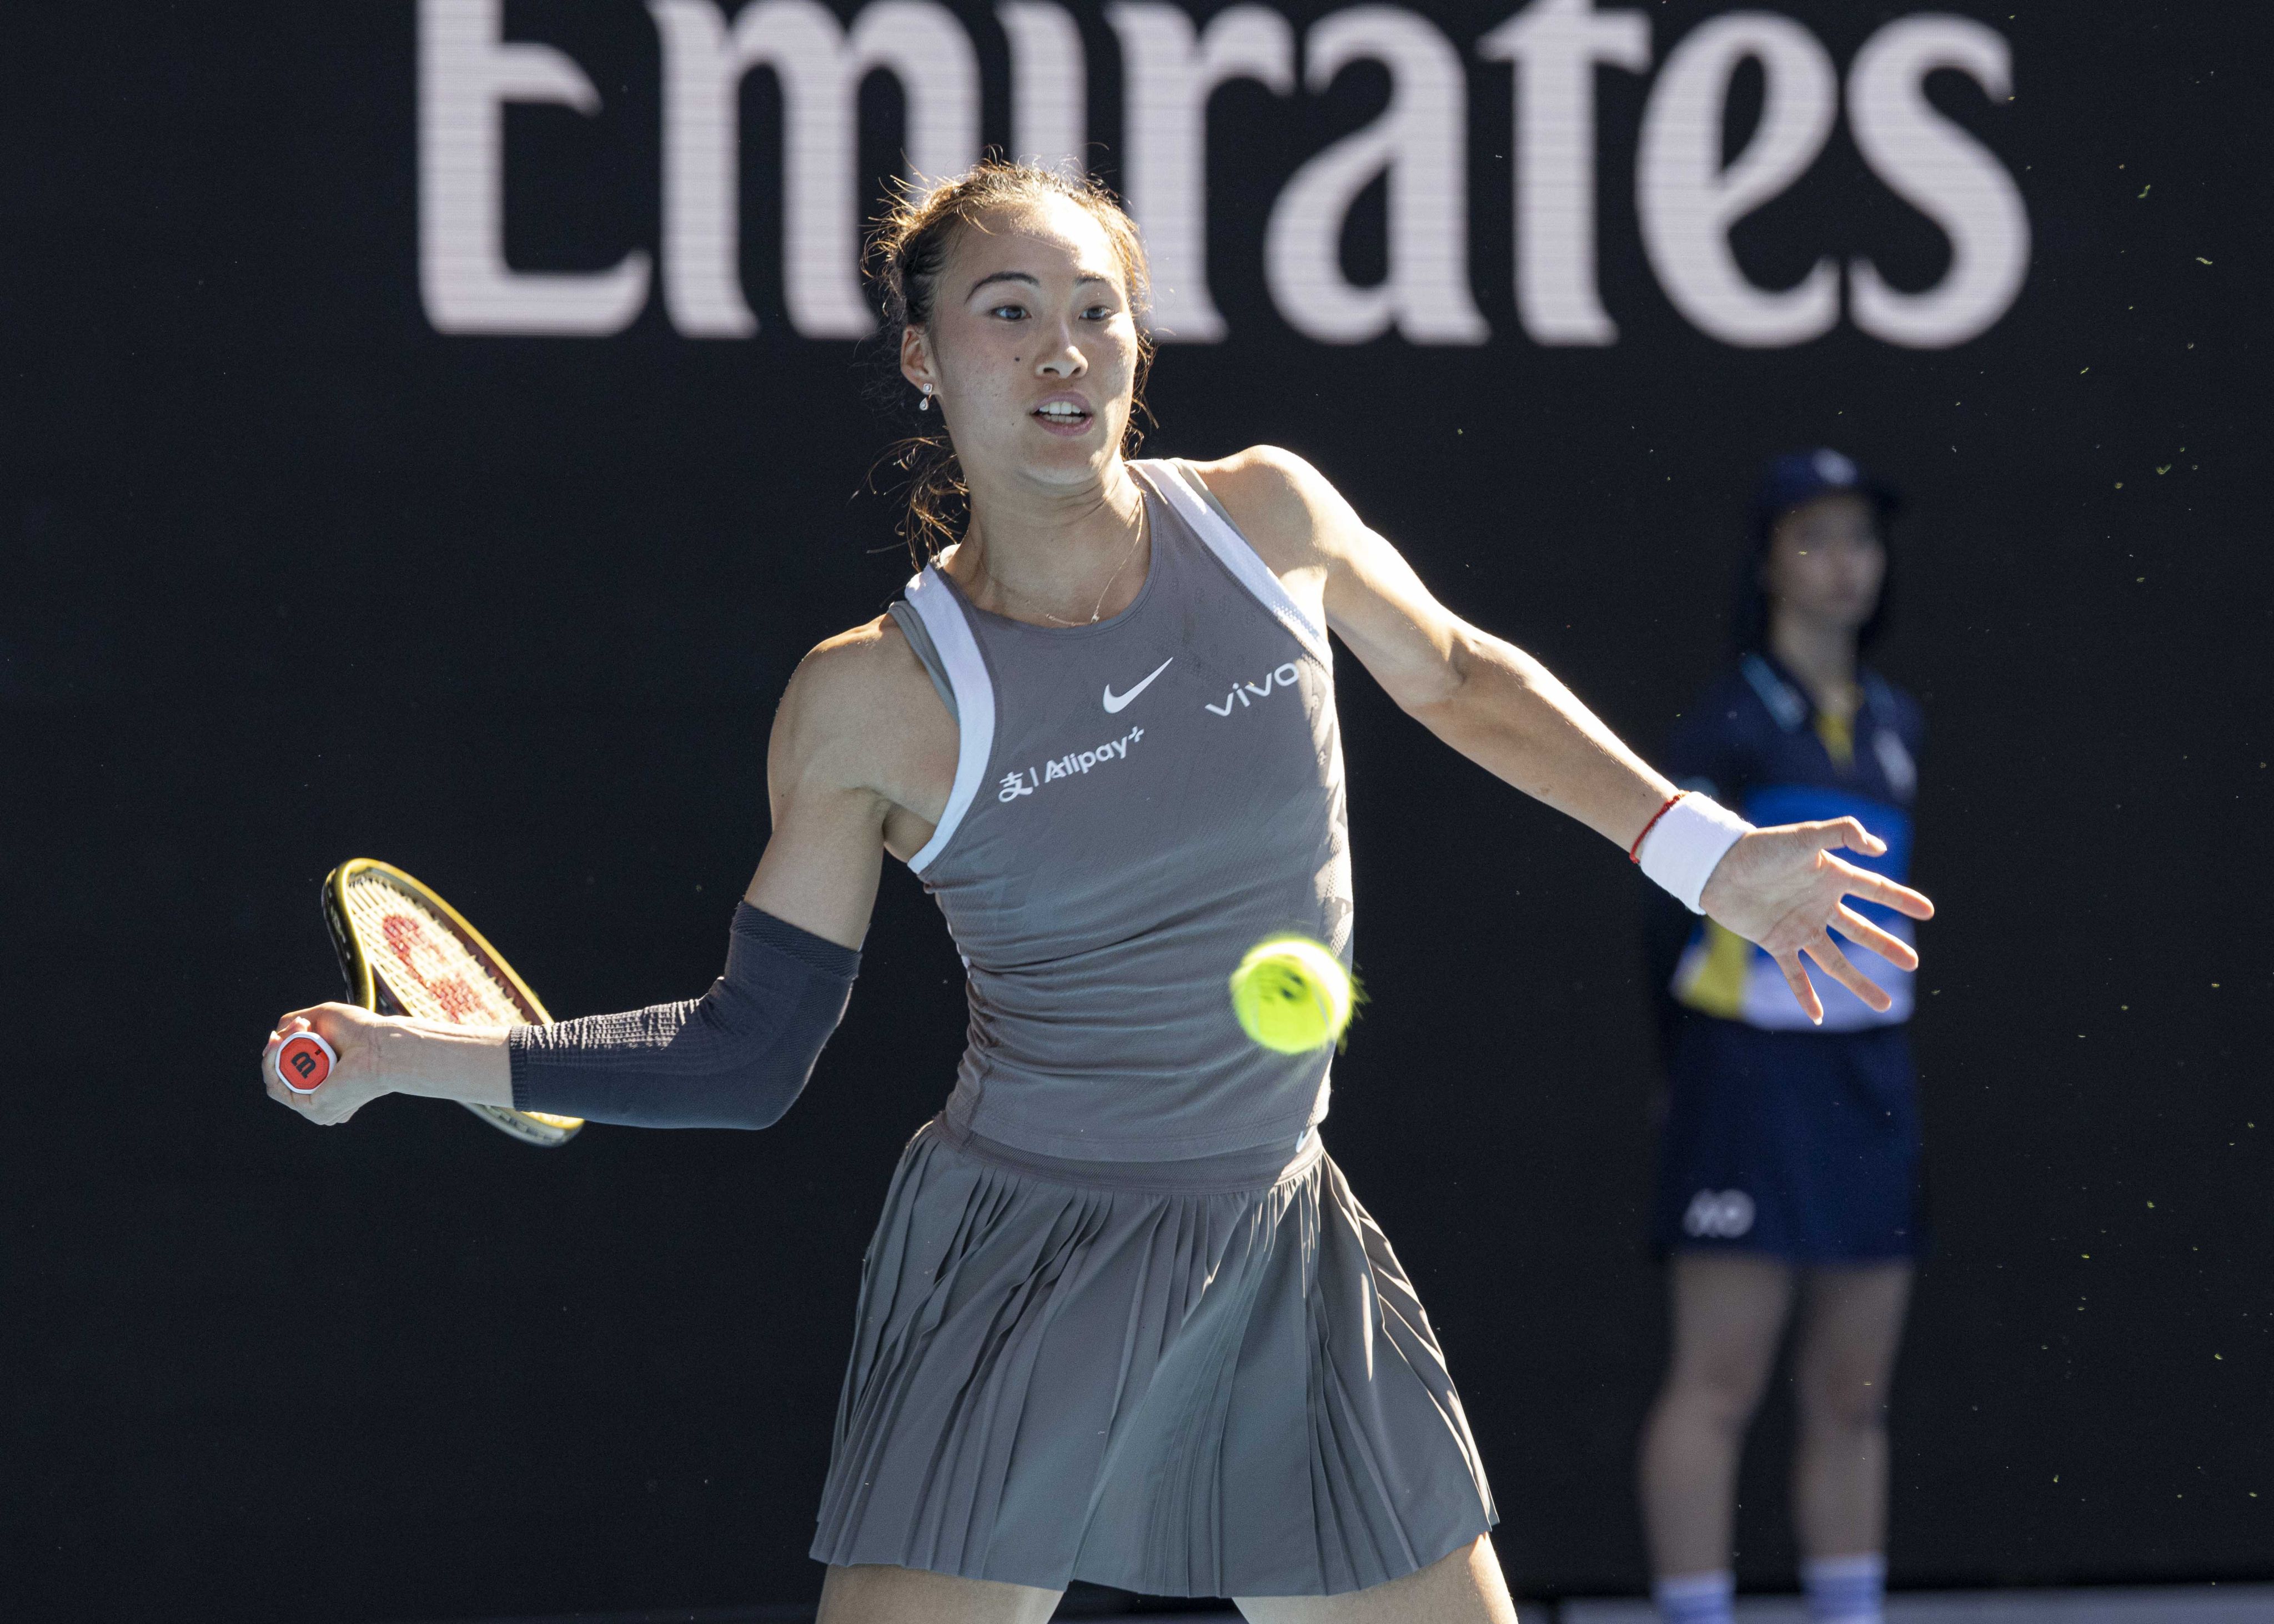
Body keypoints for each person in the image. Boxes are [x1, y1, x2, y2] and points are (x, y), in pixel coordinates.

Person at [262, 167, 1931, 1624]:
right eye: (1008, 312)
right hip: (1023, 1254)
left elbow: (1463, 679)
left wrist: (1712, 856)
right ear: (920, 358)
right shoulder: (874, 700)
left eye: (1098, 309)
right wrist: (421, 1058)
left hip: (1279, 1223)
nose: (1065, 350)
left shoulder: (1267, 518)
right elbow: (750, 1052)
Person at [1635, 450, 1925, 1624]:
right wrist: (1681, 1076)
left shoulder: (1898, 722)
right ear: (1765, 564)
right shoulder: (1725, 727)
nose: (1842, 561)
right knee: (1718, 1380)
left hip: (1868, 1082)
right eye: (1812, 537)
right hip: (1743, 1081)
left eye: (1859, 536)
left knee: (1851, 1393)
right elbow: (1659, 931)